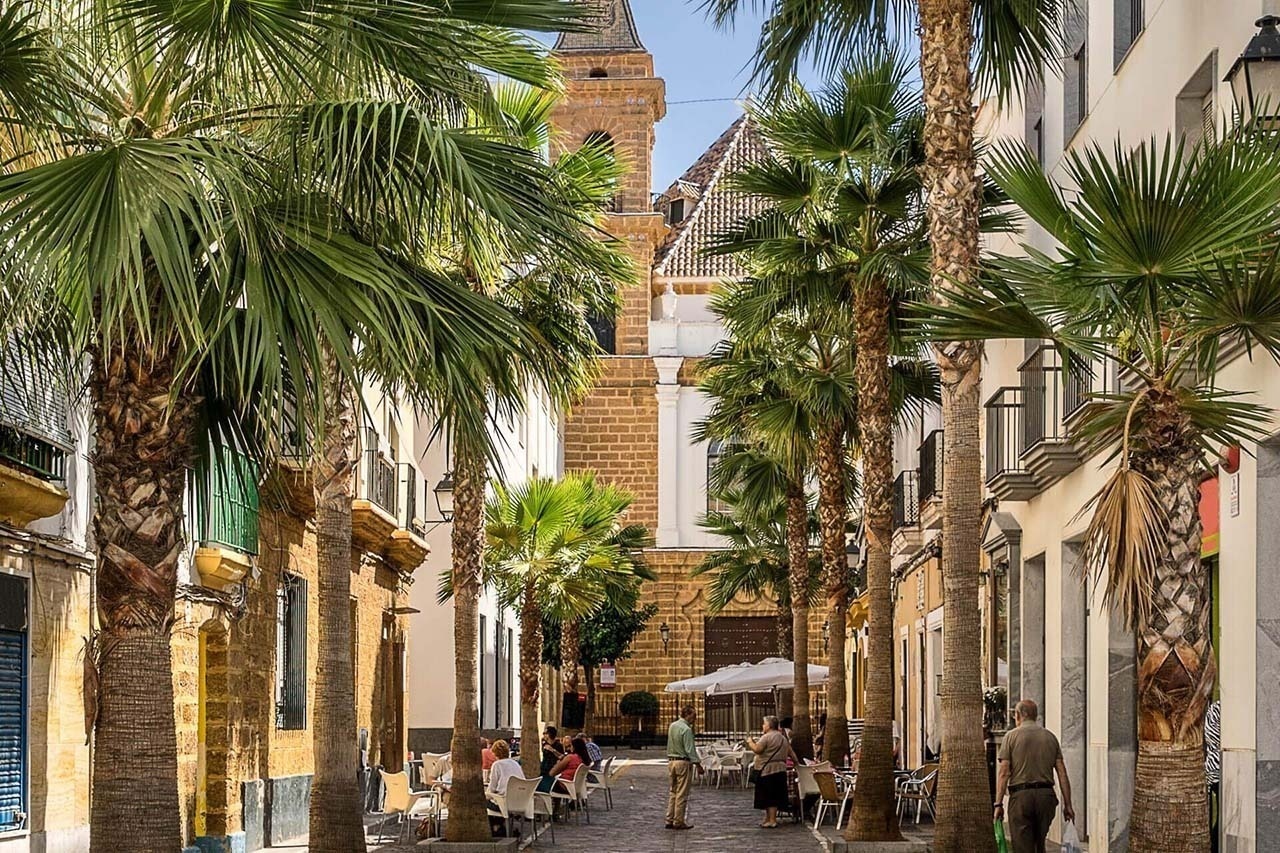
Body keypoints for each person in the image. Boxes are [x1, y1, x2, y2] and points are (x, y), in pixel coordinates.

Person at [994, 699, 1075, 853]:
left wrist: (998, 804)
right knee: (1040, 842)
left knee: (1023, 845)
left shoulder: (1010, 737)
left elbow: (1004, 773)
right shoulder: (1050, 737)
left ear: (1018, 715)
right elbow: (1062, 772)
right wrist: (1068, 804)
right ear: (1035, 716)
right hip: (1046, 797)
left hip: (1021, 797)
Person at [748, 715, 798, 828]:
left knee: (769, 795)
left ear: (769, 725)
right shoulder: (783, 738)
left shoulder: (767, 737)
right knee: (772, 794)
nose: (763, 726)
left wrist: (750, 742)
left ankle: (772, 819)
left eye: (764, 724)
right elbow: (791, 753)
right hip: (780, 769)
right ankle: (768, 818)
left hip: (767, 770)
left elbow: (758, 750)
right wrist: (797, 764)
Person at [665, 705, 700, 830]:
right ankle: (678, 821)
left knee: (673, 791)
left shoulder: (672, 726)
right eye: (694, 716)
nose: (695, 719)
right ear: (688, 714)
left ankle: (669, 819)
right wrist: (698, 764)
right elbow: (690, 750)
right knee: (682, 793)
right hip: (682, 762)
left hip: (671, 761)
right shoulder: (686, 729)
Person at [1206, 699, 1222, 853]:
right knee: (1225, 817)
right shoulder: (1217, 708)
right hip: (1219, 770)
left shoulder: (1216, 708)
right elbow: (1214, 740)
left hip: (1216, 770)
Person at [537, 726, 564, 793]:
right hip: (544, 767)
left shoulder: (558, 745)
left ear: (550, 734)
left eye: (545, 733)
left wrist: (552, 750)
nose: (544, 735)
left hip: (554, 768)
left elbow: (562, 757)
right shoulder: (544, 743)